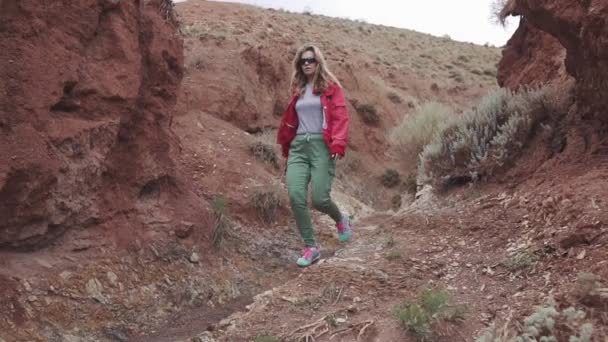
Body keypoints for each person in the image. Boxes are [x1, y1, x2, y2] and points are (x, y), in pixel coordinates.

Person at [276, 44, 353, 267]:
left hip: (321, 146)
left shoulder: (331, 88)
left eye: (311, 60)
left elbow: (340, 116)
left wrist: (338, 143)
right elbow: (291, 120)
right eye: (303, 61)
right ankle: (311, 247)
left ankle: (341, 219)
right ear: (299, 65)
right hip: (298, 147)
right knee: (296, 196)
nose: (307, 63)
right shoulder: (297, 89)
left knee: (319, 198)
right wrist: (287, 145)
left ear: (319, 62)